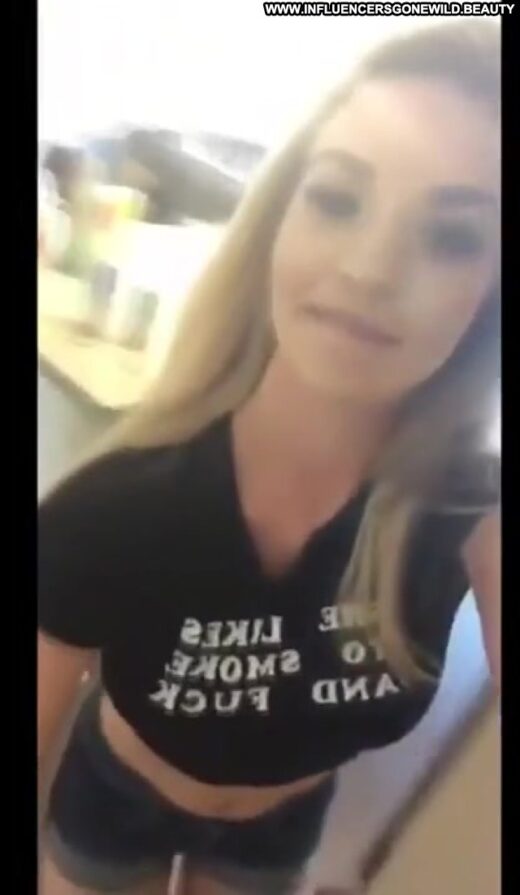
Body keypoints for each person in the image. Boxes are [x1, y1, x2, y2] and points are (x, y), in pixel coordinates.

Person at [38, 20, 501, 895]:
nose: (370, 270)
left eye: (451, 238)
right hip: (117, 800)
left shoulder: (469, 505)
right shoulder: (113, 507)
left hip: (279, 829)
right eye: (338, 199)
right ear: (279, 218)